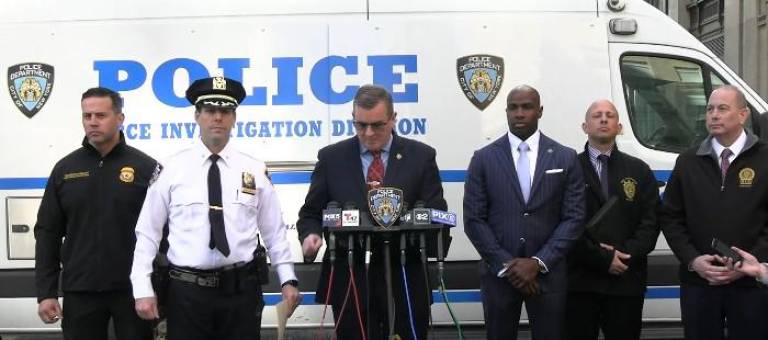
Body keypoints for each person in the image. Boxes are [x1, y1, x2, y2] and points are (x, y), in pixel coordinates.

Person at [130, 77, 300, 340]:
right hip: (187, 294)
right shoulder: (171, 169)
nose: (217, 118)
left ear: (234, 118)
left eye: (225, 112)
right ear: (197, 116)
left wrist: (288, 280)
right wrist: (142, 287)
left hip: (241, 293)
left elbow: (274, 232)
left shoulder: (253, 170)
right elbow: (148, 233)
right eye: (210, 111)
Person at [298, 84, 447, 340]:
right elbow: (310, 212)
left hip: (405, 276)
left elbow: (437, 213)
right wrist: (310, 236)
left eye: (377, 125)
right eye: (360, 125)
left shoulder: (421, 156)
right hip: (351, 277)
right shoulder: (332, 157)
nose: (368, 133)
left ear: (393, 119)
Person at [463, 84, 585, 340]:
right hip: (499, 278)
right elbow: (474, 219)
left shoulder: (565, 157)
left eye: (527, 107)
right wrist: (508, 266)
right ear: (506, 112)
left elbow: (573, 218)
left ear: (539, 111)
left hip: (548, 277)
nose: (520, 113)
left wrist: (538, 263)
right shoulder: (483, 158)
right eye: (513, 108)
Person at [34, 87, 157, 339]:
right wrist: (46, 292)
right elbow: (48, 232)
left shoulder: (146, 168)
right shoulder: (65, 170)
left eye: (100, 115)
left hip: (133, 290)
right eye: (87, 116)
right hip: (80, 291)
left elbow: (164, 232)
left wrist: (160, 289)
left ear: (120, 119)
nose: (92, 122)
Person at [661, 85, 768, 340]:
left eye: (722, 108)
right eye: (709, 109)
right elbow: (671, 217)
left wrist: (749, 262)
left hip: (750, 285)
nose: (714, 115)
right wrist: (693, 260)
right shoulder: (687, 162)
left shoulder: (765, 158)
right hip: (700, 283)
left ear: (742, 115)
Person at [565, 100, 660, 340]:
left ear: (619, 126)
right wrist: (601, 258)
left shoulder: (639, 170)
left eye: (610, 115)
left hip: (626, 282)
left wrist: (623, 255)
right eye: (597, 115)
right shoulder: (569, 169)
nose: (604, 119)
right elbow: (564, 224)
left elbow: (650, 223)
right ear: (585, 126)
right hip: (580, 282)